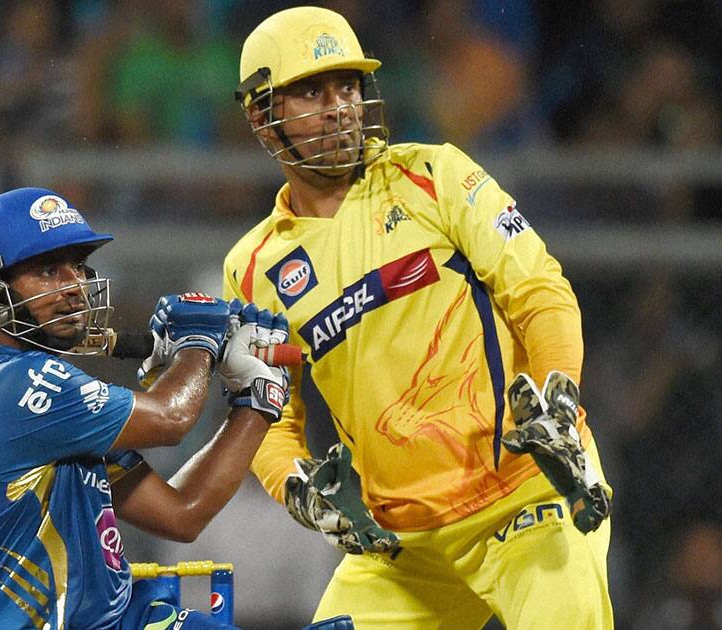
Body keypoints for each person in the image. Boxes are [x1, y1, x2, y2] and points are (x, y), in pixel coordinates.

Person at [223, 7, 614, 629]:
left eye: (348, 84)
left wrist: (559, 395)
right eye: (311, 90)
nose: (339, 106)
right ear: (261, 115)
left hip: (527, 499)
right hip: (400, 546)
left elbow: (540, 291)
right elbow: (265, 415)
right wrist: (296, 487)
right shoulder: (251, 269)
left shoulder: (434, 175)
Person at [0, 186, 328, 629]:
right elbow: (171, 418)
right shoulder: (9, 382)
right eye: (47, 271)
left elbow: (183, 513)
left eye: (77, 268)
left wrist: (255, 401)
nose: (74, 287)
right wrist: (198, 343)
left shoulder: (57, 405)